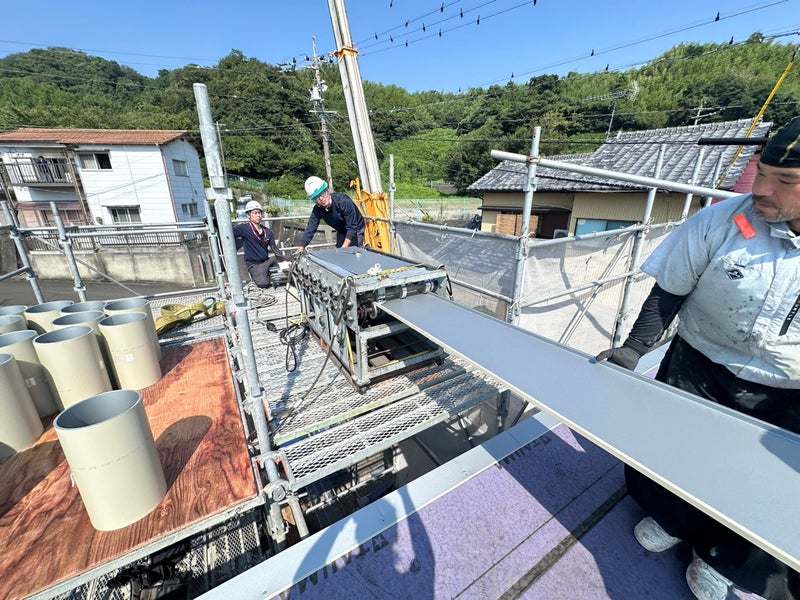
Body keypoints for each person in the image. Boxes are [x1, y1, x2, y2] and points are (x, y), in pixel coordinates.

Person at [596, 116, 800, 600]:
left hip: (787, 392)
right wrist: (634, 348)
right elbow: (670, 288)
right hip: (698, 363)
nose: (760, 190)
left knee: (762, 484)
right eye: (760, 172)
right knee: (674, 451)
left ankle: (723, 558)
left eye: (785, 180)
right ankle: (671, 519)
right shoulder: (722, 221)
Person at [297, 176, 365, 252]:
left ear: (327, 190)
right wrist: (301, 247)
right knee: (338, 253)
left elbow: (352, 227)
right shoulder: (317, 209)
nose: (321, 199)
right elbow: (310, 228)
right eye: (316, 198)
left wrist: (343, 248)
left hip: (356, 228)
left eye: (322, 194)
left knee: (354, 252)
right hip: (341, 230)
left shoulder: (343, 202)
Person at [233, 200, 285, 288]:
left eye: (259, 213)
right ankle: (265, 275)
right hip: (254, 264)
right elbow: (227, 230)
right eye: (255, 213)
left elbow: (274, 248)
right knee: (264, 283)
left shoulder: (267, 231)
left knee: (289, 259)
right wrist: (214, 223)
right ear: (248, 215)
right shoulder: (244, 229)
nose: (258, 215)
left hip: (266, 261)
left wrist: (283, 260)